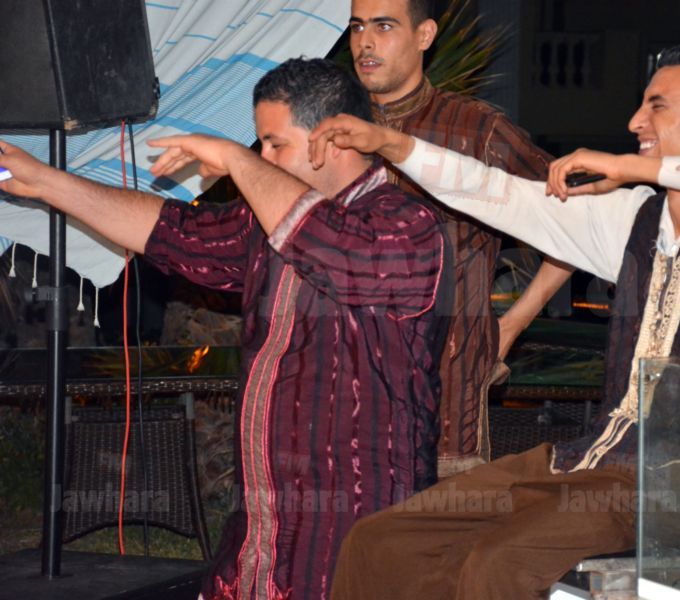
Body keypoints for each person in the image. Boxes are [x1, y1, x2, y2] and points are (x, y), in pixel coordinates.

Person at [308, 40, 680, 599]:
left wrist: (626, 166)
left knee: (498, 562)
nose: (635, 121)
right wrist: (393, 144)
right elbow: (499, 193)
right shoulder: (633, 220)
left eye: (657, 105)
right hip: (585, 463)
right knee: (381, 540)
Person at [0, 58, 448, 599]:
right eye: (258, 145)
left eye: (274, 144)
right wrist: (47, 183)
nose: (264, 158)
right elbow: (168, 231)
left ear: (332, 140)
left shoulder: (406, 226)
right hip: (265, 524)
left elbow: (332, 248)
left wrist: (237, 159)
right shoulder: (263, 221)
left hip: (354, 524)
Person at [349, 0, 576, 476]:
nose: (365, 42)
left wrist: (509, 327)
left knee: (447, 519)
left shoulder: (478, 130)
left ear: (425, 35)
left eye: (384, 26)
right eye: (357, 27)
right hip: (345, 393)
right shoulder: (333, 128)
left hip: (449, 402)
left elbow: (576, 221)